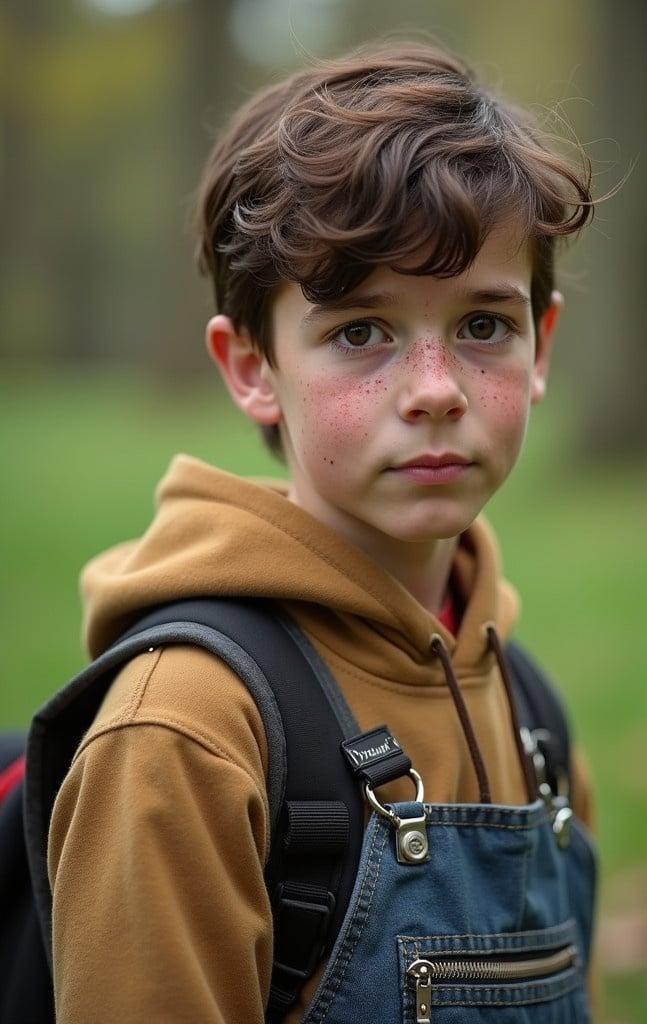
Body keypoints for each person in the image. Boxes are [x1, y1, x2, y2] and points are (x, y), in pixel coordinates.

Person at [48, 42, 599, 1023]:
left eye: (483, 326)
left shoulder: (530, 709)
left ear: (542, 343)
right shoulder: (186, 730)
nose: (434, 391)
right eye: (360, 332)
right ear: (252, 365)